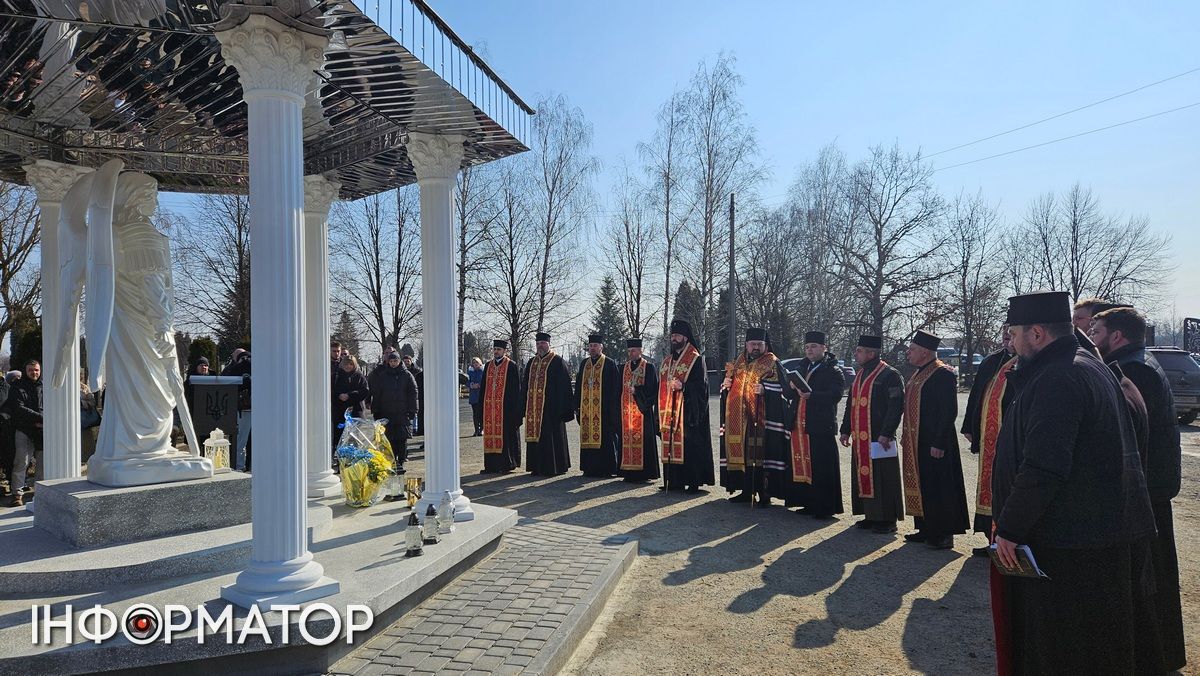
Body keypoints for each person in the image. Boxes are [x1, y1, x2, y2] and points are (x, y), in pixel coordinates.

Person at [991, 291, 1157, 675]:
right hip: (1091, 534)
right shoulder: (1084, 363)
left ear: (1036, 333)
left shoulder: (1059, 377)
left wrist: (1010, 529)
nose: (1010, 342)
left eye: (1013, 333)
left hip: (1068, 542)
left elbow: (1044, 466)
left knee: (1066, 647)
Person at [1090, 306, 1186, 672]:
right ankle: (1160, 653)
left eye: (1096, 332)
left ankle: (1154, 655)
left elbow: (1132, 440)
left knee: (1149, 579)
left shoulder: (1132, 370)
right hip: (1150, 489)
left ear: (1117, 336)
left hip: (1144, 491)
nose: (1092, 339)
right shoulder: (1139, 361)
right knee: (1154, 576)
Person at [899, 330, 969, 550]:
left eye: (912, 350)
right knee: (923, 483)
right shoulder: (918, 373)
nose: (908, 353)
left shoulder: (943, 374)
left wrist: (938, 442)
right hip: (917, 439)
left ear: (925, 352)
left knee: (940, 486)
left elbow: (948, 411)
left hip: (936, 443)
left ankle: (944, 533)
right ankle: (925, 527)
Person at [960, 325, 1018, 557]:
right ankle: (989, 536)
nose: (1006, 335)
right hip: (988, 436)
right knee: (988, 484)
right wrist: (969, 426)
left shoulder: (1025, 361)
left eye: (1012, 331)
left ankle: (1002, 537)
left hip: (1008, 438)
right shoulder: (992, 360)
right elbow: (977, 395)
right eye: (1005, 330)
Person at [839, 335, 905, 534]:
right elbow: (850, 404)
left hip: (879, 438)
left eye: (859, 350)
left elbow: (896, 406)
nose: (856, 354)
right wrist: (845, 430)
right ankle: (870, 515)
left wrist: (887, 432)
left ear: (871, 353)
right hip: (861, 437)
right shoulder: (860, 374)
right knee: (863, 475)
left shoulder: (889, 374)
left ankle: (887, 520)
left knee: (883, 478)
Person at [720, 327, 791, 507]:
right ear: (746, 345)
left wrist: (767, 390)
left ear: (766, 345)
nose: (756, 347)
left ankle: (764, 493)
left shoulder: (773, 363)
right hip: (740, 419)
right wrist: (726, 385)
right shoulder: (739, 362)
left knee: (761, 456)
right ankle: (745, 490)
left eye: (760, 344)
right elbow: (731, 386)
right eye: (753, 344)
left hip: (763, 420)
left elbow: (786, 391)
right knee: (744, 455)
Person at [785, 331, 845, 519]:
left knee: (822, 466)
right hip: (799, 424)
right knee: (802, 463)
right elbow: (788, 394)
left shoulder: (833, 370)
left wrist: (814, 396)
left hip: (820, 425)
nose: (810, 350)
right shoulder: (801, 367)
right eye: (807, 347)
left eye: (814, 347)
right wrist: (792, 388)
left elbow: (836, 395)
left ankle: (825, 507)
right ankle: (807, 502)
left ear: (824, 348)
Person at [658, 318, 715, 493]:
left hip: (689, 411)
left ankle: (693, 481)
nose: (674, 338)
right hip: (669, 410)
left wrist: (684, 387)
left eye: (678, 336)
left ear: (686, 338)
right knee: (670, 444)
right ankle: (674, 481)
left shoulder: (696, 359)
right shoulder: (667, 361)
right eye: (672, 335)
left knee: (690, 446)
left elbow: (702, 388)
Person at [522, 332, 573, 476]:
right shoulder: (532, 362)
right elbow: (525, 385)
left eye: (543, 343)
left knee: (551, 437)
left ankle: (554, 467)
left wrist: (563, 409)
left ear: (549, 344)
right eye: (538, 344)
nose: (540, 346)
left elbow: (565, 386)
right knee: (537, 438)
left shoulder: (557, 361)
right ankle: (537, 467)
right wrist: (523, 404)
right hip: (533, 408)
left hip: (552, 408)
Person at [575, 334, 622, 478]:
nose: (592, 348)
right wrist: (576, 405)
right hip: (586, 410)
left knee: (606, 440)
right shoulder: (584, 364)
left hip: (604, 411)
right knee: (587, 438)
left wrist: (613, 409)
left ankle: (607, 468)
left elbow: (616, 388)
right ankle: (589, 468)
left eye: (595, 346)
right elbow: (578, 386)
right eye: (590, 346)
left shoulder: (609, 363)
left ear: (601, 347)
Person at [368, 351, 418, 474]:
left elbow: (413, 392)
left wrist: (413, 410)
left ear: (399, 361)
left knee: (402, 438)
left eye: (395, 361)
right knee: (389, 438)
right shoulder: (383, 376)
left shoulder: (407, 375)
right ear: (388, 362)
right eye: (391, 361)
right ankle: (391, 460)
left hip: (402, 411)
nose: (393, 363)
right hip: (387, 411)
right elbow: (377, 393)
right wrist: (376, 409)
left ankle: (401, 461)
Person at [618, 338, 661, 483]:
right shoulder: (623, 367)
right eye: (629, 351)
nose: (631, 353)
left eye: (634, 350)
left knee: (645, 442)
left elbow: (653, 389)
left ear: (640, 351)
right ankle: (628, 472)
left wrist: (637, 391)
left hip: (643, 412)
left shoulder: (648, 367)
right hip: (626, 413)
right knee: (626, 441)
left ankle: (644, 473)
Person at [480, 340, 523, 474]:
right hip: (489, 409)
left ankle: (506, 464)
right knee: (490, 435)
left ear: (505, 351)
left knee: (506, 436)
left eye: (499, 349)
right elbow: (483, 387)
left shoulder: (511, 365)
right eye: (495, 349)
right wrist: (480, 408)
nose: (496, 351)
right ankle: (491, 465)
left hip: (505, 410)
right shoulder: (488, 366)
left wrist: (516, 410)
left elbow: (516, 390)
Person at [9, 360, 43, 507]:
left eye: (36, 370)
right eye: (31, 370)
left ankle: (40, 494)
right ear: (25, 371)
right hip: (24, 429)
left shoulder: (45, 386)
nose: (34, 373)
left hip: (42, 430)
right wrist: (41, 418)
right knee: (21, 462)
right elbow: (18, 408)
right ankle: (17, 495)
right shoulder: (17, 386)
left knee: (43, 465)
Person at [331, 354, 370, 460]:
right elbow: (331, 391)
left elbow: (364, 391)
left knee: (354, 438)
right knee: (339, 437)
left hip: (355, 412)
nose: (348, 366)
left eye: (351, 364)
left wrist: (350, 395)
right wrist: (339, 396)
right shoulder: (336, 376)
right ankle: (341, 460)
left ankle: (353, 460)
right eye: (346, 364)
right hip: (339, 412)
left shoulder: (359, 376)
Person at [402, 352, 425, 438]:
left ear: (411, 361)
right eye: (405, 361)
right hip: (405, 394)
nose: (406, 363)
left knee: (415, 413)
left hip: (415, 395)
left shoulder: (417, 372)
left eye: (408, 361)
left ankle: (415, 428)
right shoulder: (402, 372)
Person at [467, 357, 485, 436]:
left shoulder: (482, 371)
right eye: (473, 363)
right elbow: (467, 381)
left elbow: (485, 381)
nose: (475, 364)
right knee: (475, 413)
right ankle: (476, 430)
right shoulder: (470, 372)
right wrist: (471, 385)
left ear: (480, 363)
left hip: (481, 394)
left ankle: (482, 429)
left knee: (481, 412)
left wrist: (479, 385)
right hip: (473, 395)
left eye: (476, 363)